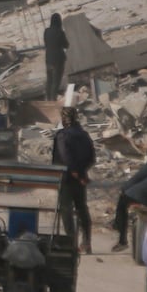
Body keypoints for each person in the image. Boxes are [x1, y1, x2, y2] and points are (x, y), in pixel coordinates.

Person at [52, 107, 96, 253]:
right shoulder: (84, 135)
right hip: (81, 178)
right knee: (82, 208)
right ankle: (87, 241)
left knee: (66, 209)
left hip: (66, 178)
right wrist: (83, 173)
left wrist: (75, 172)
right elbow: (91, 158)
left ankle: (71, 242)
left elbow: (65, 157)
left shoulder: (62, 135)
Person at [44, 13, 69, 102]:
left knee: (49, 80)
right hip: (58, 59)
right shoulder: (60, 32)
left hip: (48, 59)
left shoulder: (46, 31)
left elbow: (46, 44)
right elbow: (66, 45)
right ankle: (53, 100)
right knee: (56, 81)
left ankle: (48, 99)